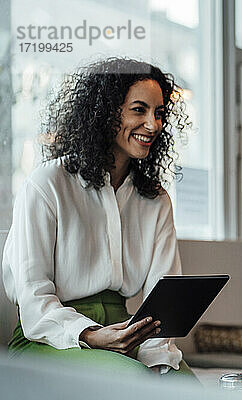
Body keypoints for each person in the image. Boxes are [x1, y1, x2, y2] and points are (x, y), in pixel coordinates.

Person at [2, 58, 196, 378]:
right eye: (139, 110)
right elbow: (33, 299)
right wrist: (90, 335)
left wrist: (154, 355)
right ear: (105, 113)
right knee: (129, 378)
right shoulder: (47, 183)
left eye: (159, 113)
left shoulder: (156, 199)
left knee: (181, 384)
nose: (153, 124)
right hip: (50, 338)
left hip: (127, 332)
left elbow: (163, 298)